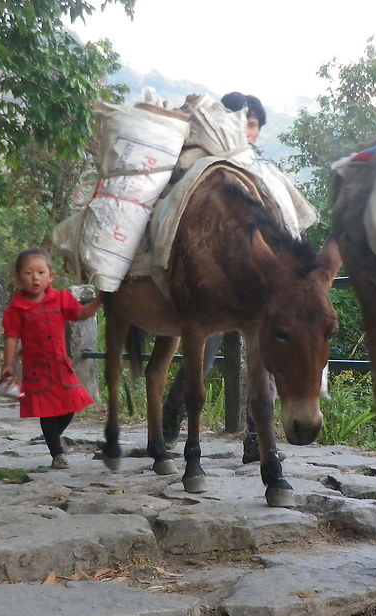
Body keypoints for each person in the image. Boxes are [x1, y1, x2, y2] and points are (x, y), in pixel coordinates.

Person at [162, 91, 272, 462]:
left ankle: (257, 442)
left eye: (253, 125)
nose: (248, 131)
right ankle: (172, 417)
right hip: (212, 289)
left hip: (253, 287)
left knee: (264, 363)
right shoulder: (202, 172)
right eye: (243, 124)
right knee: (203, 361)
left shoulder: (260, 178)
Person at [0, 247, 102, 469]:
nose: (35, 278)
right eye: (28, 273)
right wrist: (8, 366)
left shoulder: (61, 299)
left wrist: (100, 300)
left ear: (51, 276)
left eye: (40, 272)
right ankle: (57, 453)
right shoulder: (16, 310)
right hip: (36, 370)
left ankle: (55, 439)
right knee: (47, 412)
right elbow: (11, 339)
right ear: (17, 278)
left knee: (71, 405)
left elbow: (80, 314)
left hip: (61, 365)